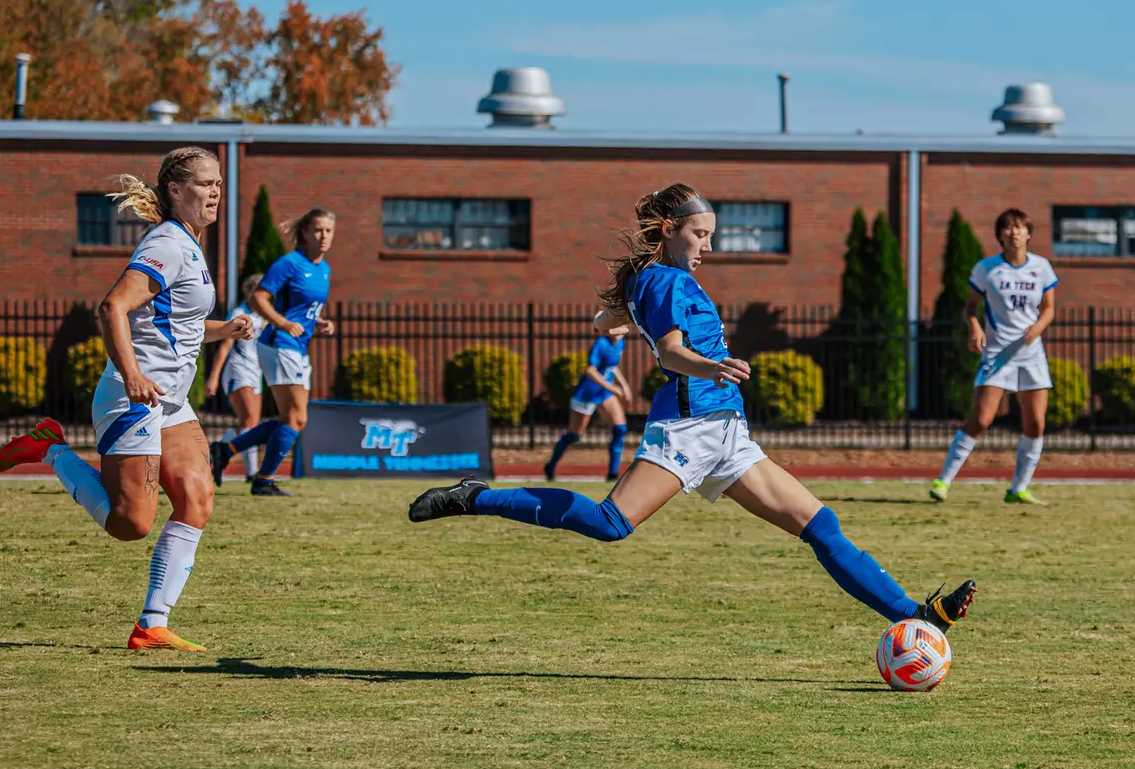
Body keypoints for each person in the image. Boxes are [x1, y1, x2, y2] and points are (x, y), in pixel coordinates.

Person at [408, 183, 975, 634]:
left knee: (820, 525)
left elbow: (606, 322)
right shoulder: (665, 282)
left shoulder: (659, 281)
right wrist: (711, 366)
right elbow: (673, 353)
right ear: (668, 230)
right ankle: (476, 496)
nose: (708, 245)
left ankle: (917, 616)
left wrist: (622, 319)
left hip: (728, 434)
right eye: (700, 234)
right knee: (610, 524)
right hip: (687, 427)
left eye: (710, 236)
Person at [0, 147, 255, 651]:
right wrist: (133, 374)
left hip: (170, 401)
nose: (216, 192)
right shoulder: (168, 243)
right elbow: (112, 306)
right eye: (205, 183)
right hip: (134, 397)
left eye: (219, 183)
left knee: (198, 499)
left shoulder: (189, 243)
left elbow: (174, 323)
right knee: (130, 523)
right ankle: (50, 447)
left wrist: (225, 329)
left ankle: (151, 625)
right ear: (175, 190)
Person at [928, 208, 1058, 505]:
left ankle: (1018, 488)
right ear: (1000, 234)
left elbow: (1049, 308)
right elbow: (970, 306)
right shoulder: (987, 268)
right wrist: (974, 328)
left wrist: (1038, 327)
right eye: (1008, 228)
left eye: (1019, 227)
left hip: (1031, 355)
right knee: (981, 419)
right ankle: (943, 481)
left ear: (1029, 233)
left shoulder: (1041, 267)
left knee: (1036, 424)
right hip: (998, 353)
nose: (1014, 232)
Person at [209, 208, 335, 496]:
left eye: (328, 231)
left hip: (298, 347)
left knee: (290, 419)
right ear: (305, 233)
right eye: (318, 230)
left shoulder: (324, 269)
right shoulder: (290, 263)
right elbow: (259, 298)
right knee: (295, 418)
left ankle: (226, 450)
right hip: (280, 344)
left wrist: (320, 321)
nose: (323, 236)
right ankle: (262, 481)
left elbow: (304, 308)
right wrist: (283, 323)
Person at [543, 329, 633, 482]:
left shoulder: (620, 343)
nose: (618, 330)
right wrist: (612, 388)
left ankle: (612, 473)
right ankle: (550, 466)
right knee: (574, 435)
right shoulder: (601, 343)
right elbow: (590, 370)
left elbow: (612, 366)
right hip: (587, 394)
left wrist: (624, 386)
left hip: (604, 394)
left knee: (620, 429)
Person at [203, 273, 267, 483]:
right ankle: (251, 473)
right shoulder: (240, 314)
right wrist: (213, 377)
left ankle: (220, 449)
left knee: (250, 423)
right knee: (248, 421)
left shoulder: (262, 317)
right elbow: (225, 347)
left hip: (255, 371)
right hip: (238, 369)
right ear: (251, 293)